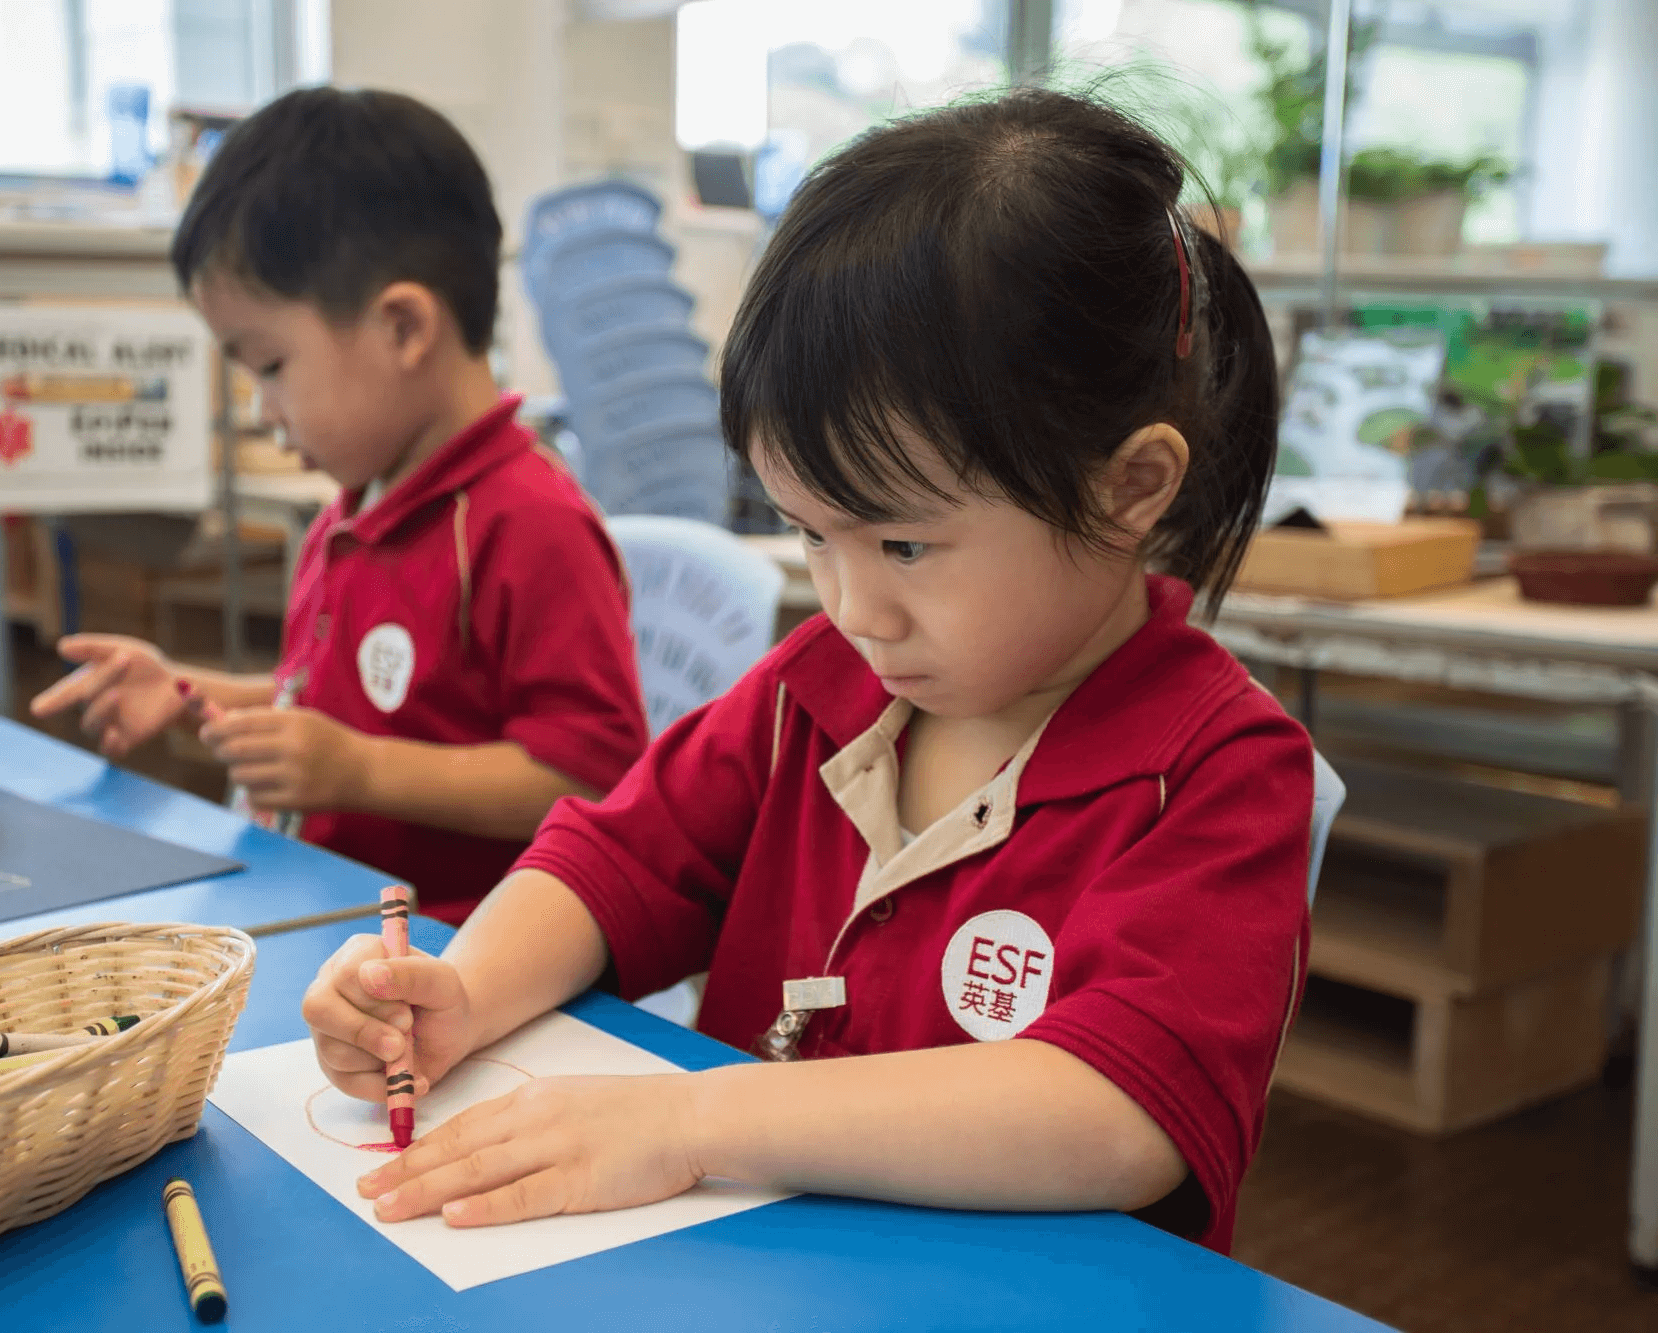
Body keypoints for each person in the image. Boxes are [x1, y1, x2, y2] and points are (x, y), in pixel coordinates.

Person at [302, 88, 1312, 1253]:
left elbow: (1115, 1111)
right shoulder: (817, 690)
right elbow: (615, 854)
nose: (851, 604)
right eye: (808, 534)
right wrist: (463, 993)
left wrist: (690, 1119)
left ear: (1128, 487)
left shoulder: (1217, 772)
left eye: (902, 544)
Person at [30, 88, 648, 925]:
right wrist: (191, 691)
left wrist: (358, 773)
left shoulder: (526, 523)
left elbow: (593, 778)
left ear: (402, 328)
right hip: (331, 920)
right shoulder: (356, 510)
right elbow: (328, 707)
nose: (261, 409)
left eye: (271, 365)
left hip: (457, 960)